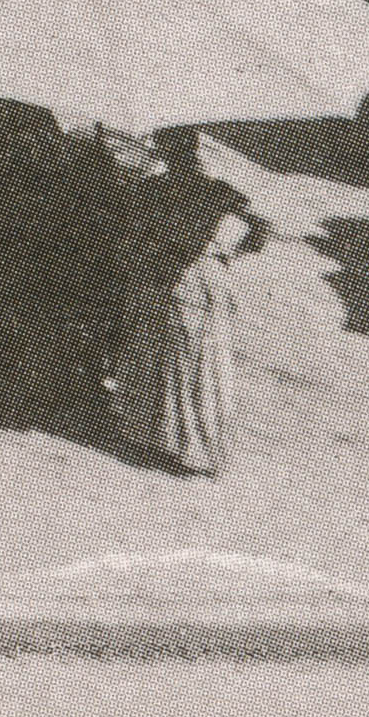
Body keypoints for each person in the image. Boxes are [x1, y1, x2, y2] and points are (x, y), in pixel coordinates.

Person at [112, 130, 263, 474]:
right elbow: (260, 232)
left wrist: (148, 253)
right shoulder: (221, 192)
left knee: (160, 354)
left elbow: (130, 236)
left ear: (165, 152)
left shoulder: (150, 190)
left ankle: (157, 437)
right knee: (201, 361)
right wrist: (226, 252)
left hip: (166, 276)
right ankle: (198, 445)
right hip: (206, 278)